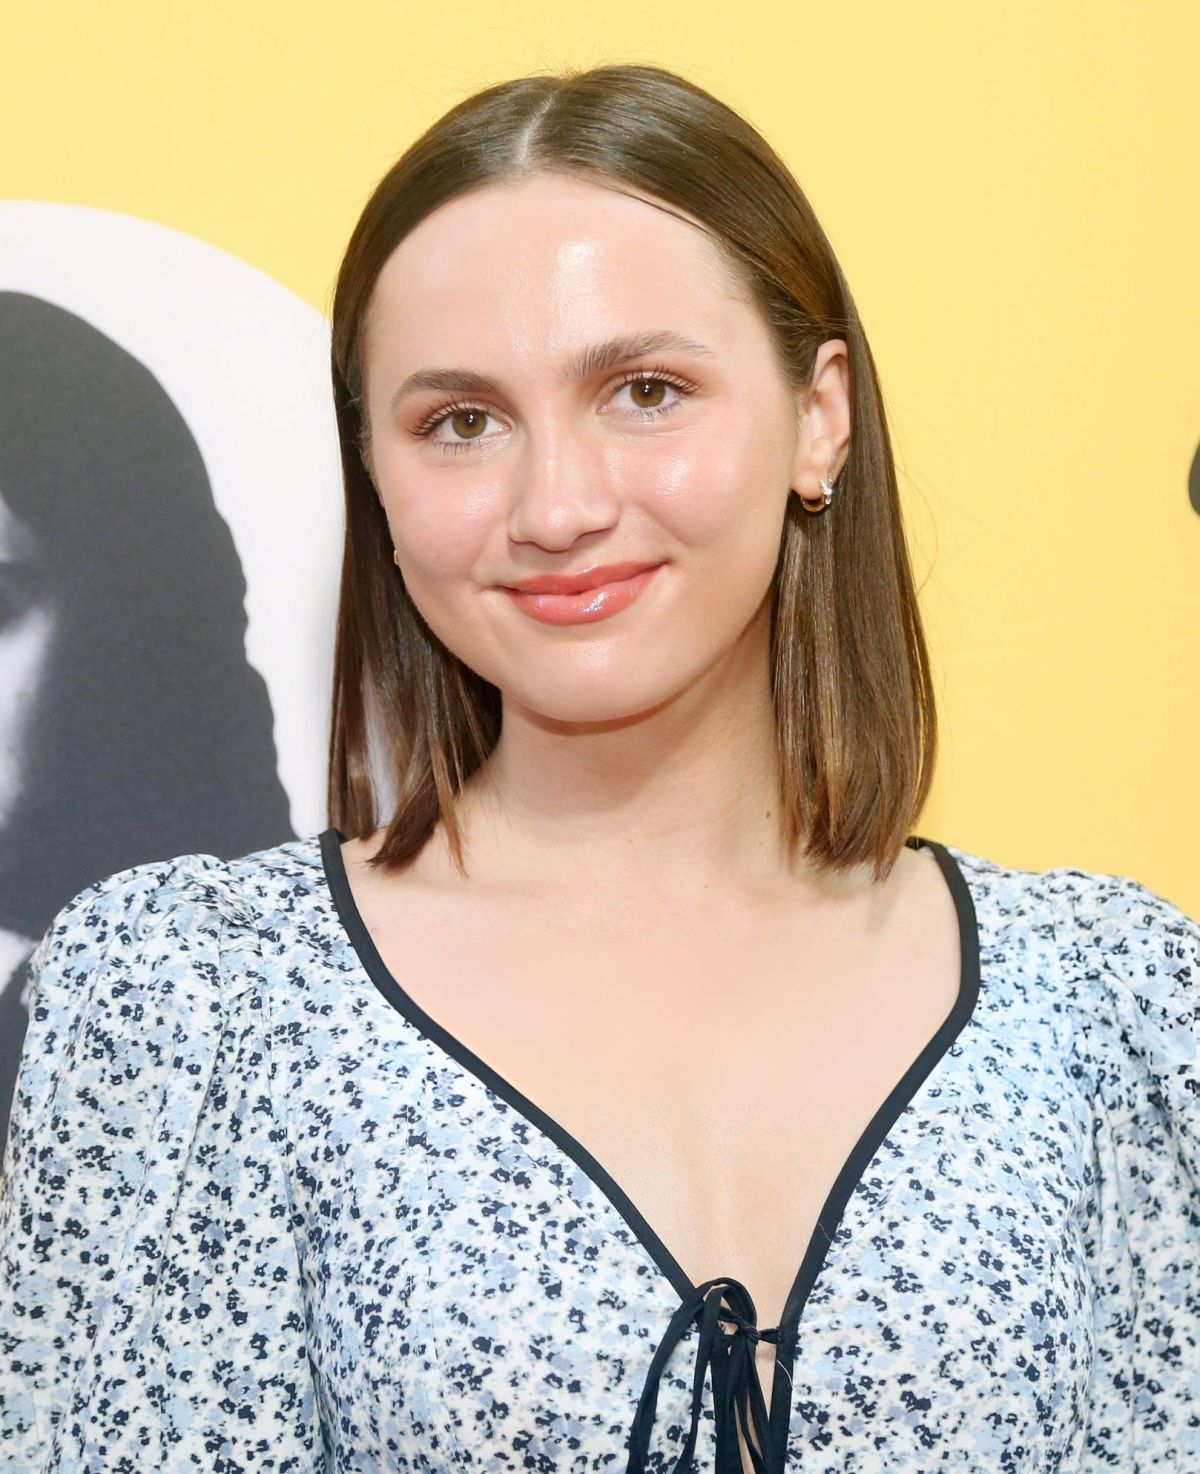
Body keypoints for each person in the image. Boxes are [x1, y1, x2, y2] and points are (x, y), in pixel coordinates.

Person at [0, 61, 1196, 1474]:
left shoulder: (1117, 1003)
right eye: (461, 421)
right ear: (374, 478)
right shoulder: (190, 1002)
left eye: (643, 388)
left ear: (821, 414)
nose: (557, 505)